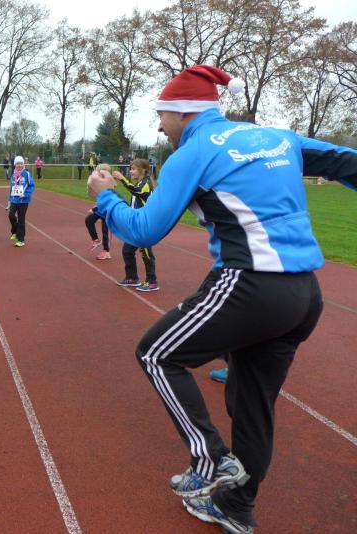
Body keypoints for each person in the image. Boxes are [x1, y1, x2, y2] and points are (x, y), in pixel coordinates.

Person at [88, 64, 357, 534]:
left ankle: (211, 461)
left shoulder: (192, 153)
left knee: (155, 354)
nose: (159, 126)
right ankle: (235, 506)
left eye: (162, 115)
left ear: (183, 112)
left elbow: (144, 230)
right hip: (304, 295)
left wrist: (106, 199)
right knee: (251, 405)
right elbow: (344, 161)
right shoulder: (277, 137)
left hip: (249, 284)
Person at [112, 158, 159, 291]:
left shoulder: (146, 183)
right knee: (127, 251)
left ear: (143, 170)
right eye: (130, 169)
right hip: (136, 223)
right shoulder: (139, 182)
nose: (131, 171)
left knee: (146, 252)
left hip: (144, 223)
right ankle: (132, 278)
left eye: (133, 169)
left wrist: (122, 178)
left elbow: (136, 191)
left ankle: (152, 281)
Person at [84, 163, 112, 260]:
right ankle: (95, 239)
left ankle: (107, 252)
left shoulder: (109, 184)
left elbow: (107, 201)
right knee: (89, 220)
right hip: (101, 208)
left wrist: (94, 209)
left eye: (98, 172)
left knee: (106, 230)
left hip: (108, 209)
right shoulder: (99, 183)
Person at [7, 156, 35, 247]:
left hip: (23, 201)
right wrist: (9, 200)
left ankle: (21, 240)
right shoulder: (13, 175)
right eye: (17, 163)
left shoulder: (26, 174)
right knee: (11, 215)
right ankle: (14, 231)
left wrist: (25, 194)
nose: (19, 165)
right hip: (14, 200)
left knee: (21, 219)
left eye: (21, 163)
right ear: (15, 165)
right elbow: (11, 188)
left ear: (23, 164)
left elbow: (32, 185)